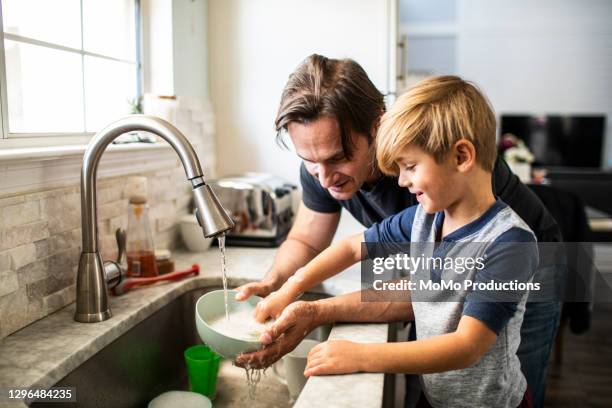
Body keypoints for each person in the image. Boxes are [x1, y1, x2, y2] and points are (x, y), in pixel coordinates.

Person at [235, 54, 561, 407]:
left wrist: (340, 333)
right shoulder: (423, 201)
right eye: (310, 161)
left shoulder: (441, 181)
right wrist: (279, 285)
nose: (324, 177)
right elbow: (310, 239)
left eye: (337, 157)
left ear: (377, 127)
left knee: (502, 379)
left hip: (534, 266)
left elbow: (431, 298)